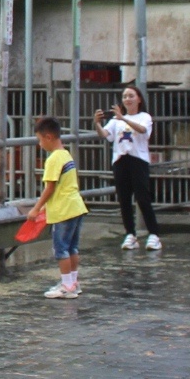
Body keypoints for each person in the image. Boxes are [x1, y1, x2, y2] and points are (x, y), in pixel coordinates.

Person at [28, 116, 89, 299]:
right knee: (72, 247)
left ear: (48, 137)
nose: (40, 144)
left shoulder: (54, 159)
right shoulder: (66, 154)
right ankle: (73, 282)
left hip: (63, 210)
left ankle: (67, 286)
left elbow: (50, 187)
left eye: (40, 139)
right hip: (76, 206)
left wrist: (36, 208)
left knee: (60, 248)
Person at [95, 86, 162, 251]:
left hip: (138, 159)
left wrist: (123, 119)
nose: (127, 99)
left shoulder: (144, 117)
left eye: (131, 96)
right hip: (120, 160)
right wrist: (97, 123)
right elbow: (105, 135)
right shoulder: (115, 120)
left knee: (142, 197)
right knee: (124, 199)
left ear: (139, 99)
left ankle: (153, 234)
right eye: (124, 96)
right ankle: (130, 234)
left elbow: (143, 130)